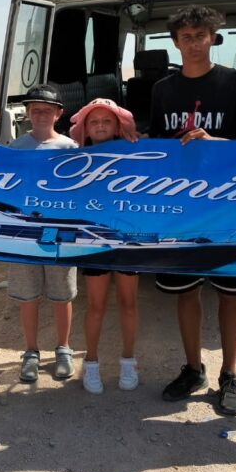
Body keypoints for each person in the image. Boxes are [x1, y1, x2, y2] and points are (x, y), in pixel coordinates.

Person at [148, 4, 236, 416]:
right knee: (185, 289)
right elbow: (157, 146)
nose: (193, 43)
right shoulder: (162, 89)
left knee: (231, 292)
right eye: (186, 37)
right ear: (175, 43)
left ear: (213, 38)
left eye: (200, 36)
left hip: (230, 203)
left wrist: (215, 143)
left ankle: (229, 373)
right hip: (181, 205)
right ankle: (193, 368)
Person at [68, 98, 140, 394]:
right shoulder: (74, 159)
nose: (100, 126)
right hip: (93, 239)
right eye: (94, 121)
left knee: (128, 302)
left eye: (106, 120)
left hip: (129, 239)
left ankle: (129, 361)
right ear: (85, 127)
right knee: (95, 305)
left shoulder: (137, 155)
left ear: (117, 125)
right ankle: (91, 362)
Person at [7, 84, 78, 383]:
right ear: (27, 112)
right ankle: (30, 351)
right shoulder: (14, 148)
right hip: (24, 233)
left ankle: (63, 348)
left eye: (47, 110)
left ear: (58, 114)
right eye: (35, 109)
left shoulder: (70, 148)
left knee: (62, 293)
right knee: (28, 295)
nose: (40, 115)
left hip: (59, 232)